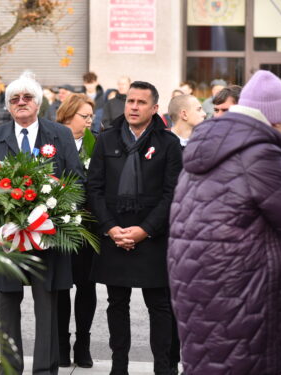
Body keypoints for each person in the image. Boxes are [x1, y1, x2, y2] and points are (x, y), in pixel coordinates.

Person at [168, 69, 281, 375]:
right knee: (245, 362)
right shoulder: (261, 153)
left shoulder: (205, 146)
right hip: (242, 283)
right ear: (273, 119)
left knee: (209, 361)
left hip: (195, 279)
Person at [0, 71, 83, 375]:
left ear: (37, 103)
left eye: (26, 98)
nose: (21, 103)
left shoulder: (60, 135)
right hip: (7, 238)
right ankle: (9, 369)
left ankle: (46, 370)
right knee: (7, 306)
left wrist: (59, 207)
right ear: (8, 106)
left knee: (47, 306)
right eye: (14, 99)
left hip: (47, 236)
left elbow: (76, 179)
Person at [86, 81, 182, 375]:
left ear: (154, 109)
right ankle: (119, 366)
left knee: (160, 305)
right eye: (130, 101)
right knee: (116, 303)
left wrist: (145, 230)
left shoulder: (168, 143)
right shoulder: (106, 139)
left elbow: (172, 194)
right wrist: (111, 228)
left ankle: (163, 367)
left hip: (152, 237)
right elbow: (94, 189)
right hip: (115, 235)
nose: (134, 107)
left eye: (141, 102)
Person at [54, 93, 97, 368]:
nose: (90, 121)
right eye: (85, 116)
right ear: (68, 115)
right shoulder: (53, 141)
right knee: (60, 287)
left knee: (86, 284)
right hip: (58, 223)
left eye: (92, 116)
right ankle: (60, 343)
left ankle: (83, 343)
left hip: (88, 224)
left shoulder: (97, 144)